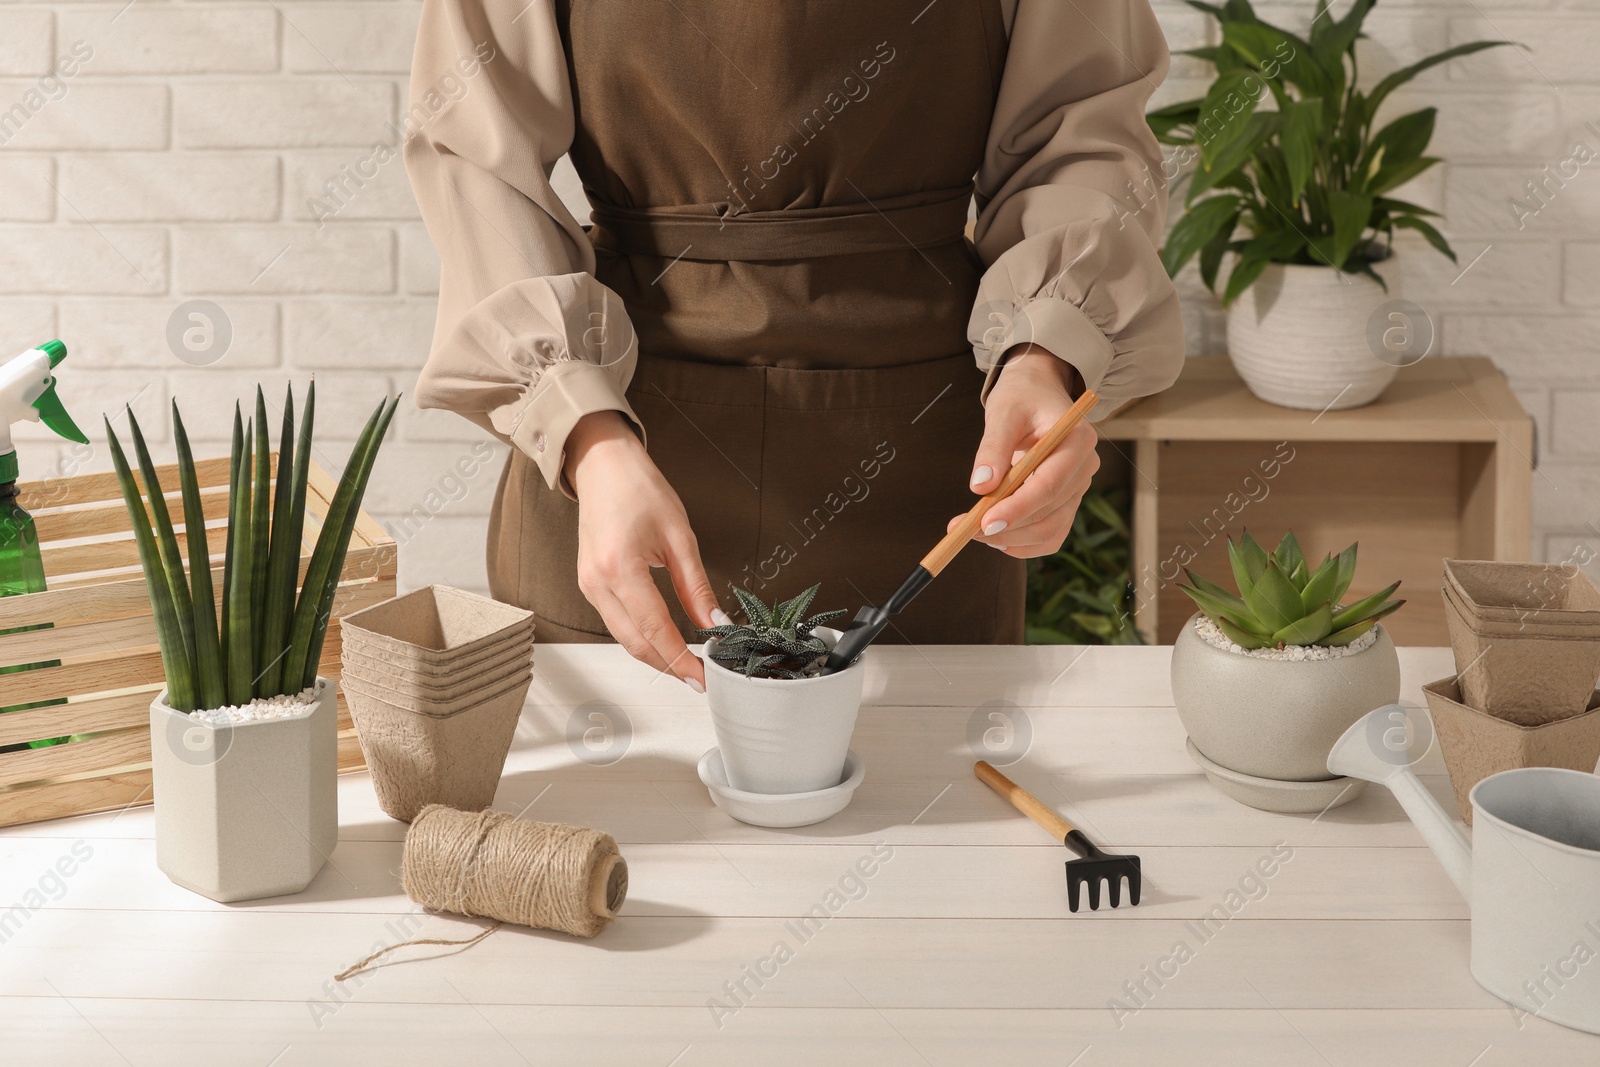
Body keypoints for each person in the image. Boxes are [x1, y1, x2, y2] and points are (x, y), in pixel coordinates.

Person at [406, 0, 1184, 690]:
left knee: (939, 839)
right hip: (613, 486)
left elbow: (1085, 132)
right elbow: (477, 154)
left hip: (924, 481)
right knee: (614, 842)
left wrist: (1045, 357)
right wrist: (585, 435)